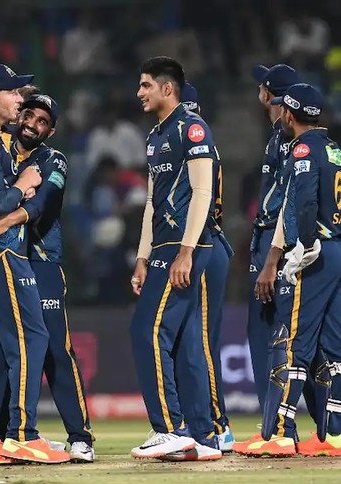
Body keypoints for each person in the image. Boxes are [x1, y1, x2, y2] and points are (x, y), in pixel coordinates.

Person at [0, 94, 96, 462]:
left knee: (52, 347)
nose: (32, 123)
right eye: (29, 114)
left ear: (52, 131)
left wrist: (6, 220)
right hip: (2, 258)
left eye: (43, 121)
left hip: (41, 262)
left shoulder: (53, 160)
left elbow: (42, 203)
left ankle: (79, 435)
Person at [129, 57, 220, 460]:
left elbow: (203, 192)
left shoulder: (191, 127)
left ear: (168, 89)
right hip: (163, 247)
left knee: (147, 331)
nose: (139, 92)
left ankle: (168, 428)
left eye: (146, 85)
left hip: (184, 246)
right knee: (185, 343)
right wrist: (142, 256)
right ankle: (203, 436)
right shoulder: (155, 136)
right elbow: (152, 201)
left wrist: (186, 249)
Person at [243, 84, 341, 457]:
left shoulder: (302, 149)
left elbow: (304, 202)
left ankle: (281, 433)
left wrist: (303, 245)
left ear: (288, 114)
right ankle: (334, 435)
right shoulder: (335, 149)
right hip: (338, 250)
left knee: (292, 341)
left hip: (315, 253)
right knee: (333, 346)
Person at [232, 64, 300, 452]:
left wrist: (272, 258)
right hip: (271, 240)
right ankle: (281, 425)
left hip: (280, 244)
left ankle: (278, 428)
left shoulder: (289, 137)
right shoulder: (279, 135)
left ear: (267, 94)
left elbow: (289, 201)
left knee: (273, 333)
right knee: (272, 331)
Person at [167, 82, 236, 457]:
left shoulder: (192, 144)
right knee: (189, 340)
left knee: (202, 342)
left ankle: (216, 425)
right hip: (199, 246)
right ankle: (198, 422)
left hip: (203, 246)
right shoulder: (192, 145)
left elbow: (200, 202)